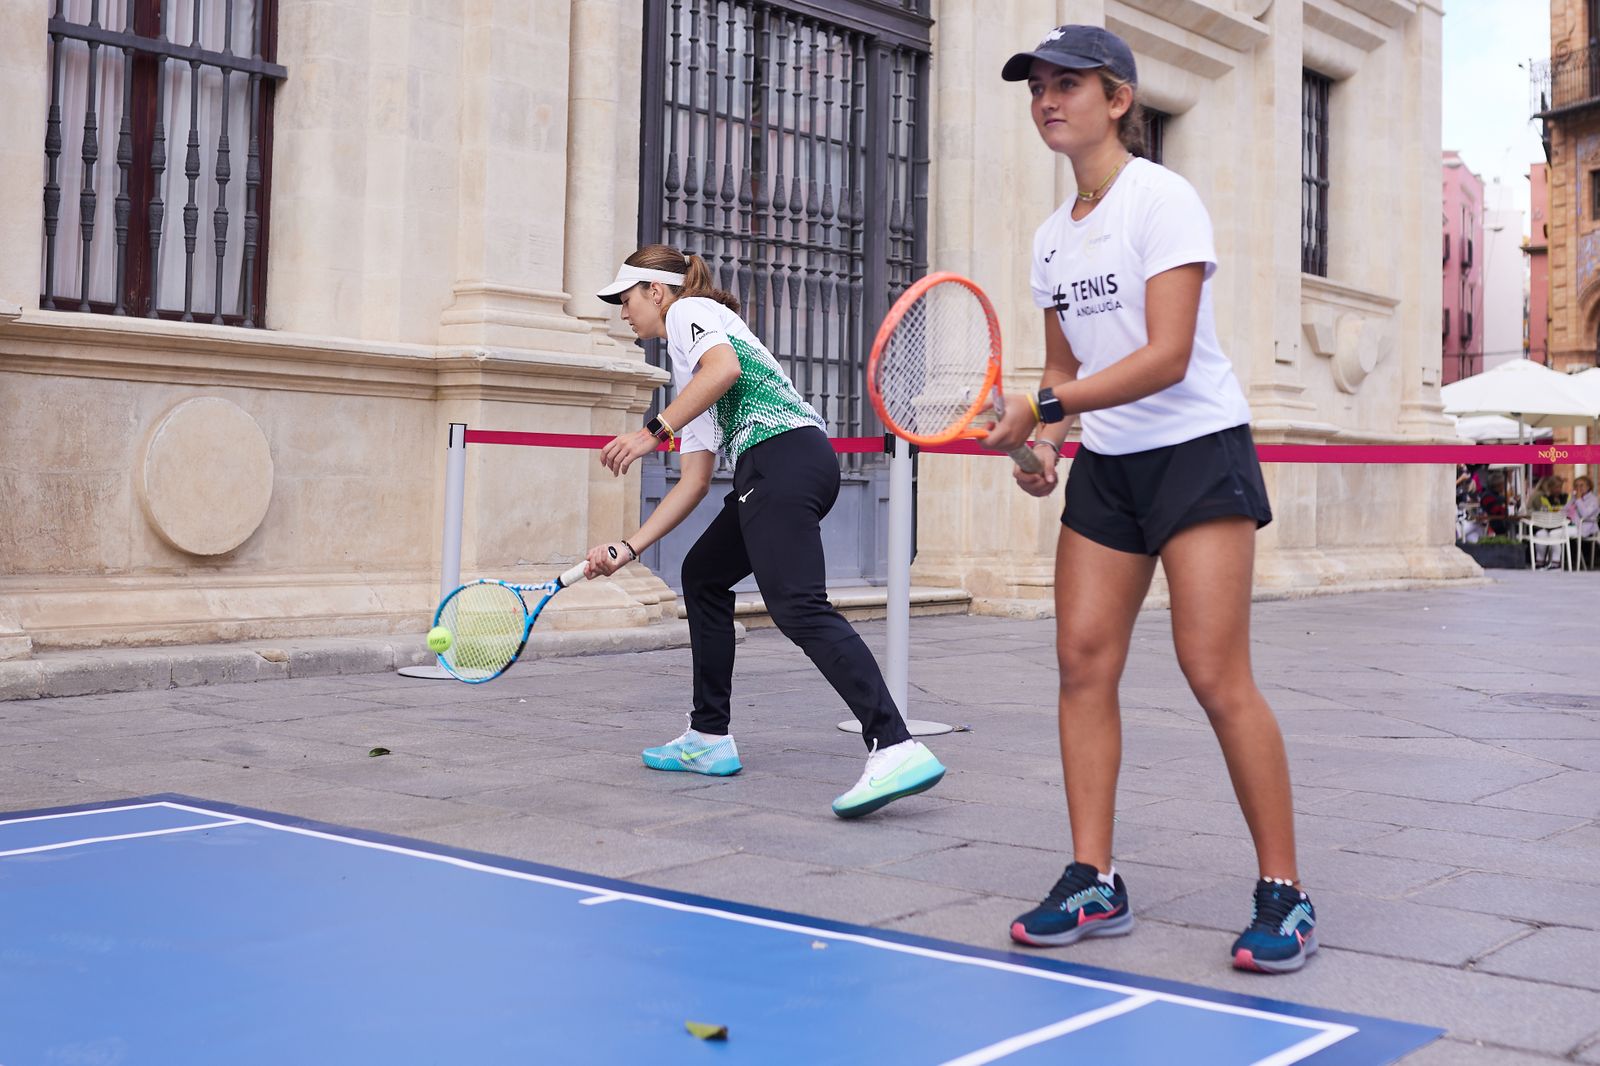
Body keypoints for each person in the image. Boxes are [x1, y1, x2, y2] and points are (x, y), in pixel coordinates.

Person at [982, 25, 1315, 973]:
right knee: (1082, 662)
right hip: (1114, 466)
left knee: (1214, 673)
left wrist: (1045, 406)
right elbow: (1061, 365)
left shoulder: (1162, 199)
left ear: (1119, 98)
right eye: (1037, 86)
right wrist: (1044, 446)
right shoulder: (1052, 237)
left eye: (1068, 84)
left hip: (1197, 452)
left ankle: (1284, 893)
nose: (1048, 99)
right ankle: (1094, 877)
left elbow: (1166, 355)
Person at [582, 244, 945, 819]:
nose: (622, 313)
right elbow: (694, 482)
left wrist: (650, 433)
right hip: (783, 465)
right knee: (702, 575)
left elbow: (724, 369)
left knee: (798, 607)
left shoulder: (688, 314)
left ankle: (894, 743)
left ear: (656, 291)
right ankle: (708, 738)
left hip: (782, 460)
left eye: (624, 300)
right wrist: (628, 548)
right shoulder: (690, 376)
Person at [1566, 475, 1598, 565]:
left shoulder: (1593, 500)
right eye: (1576, 486)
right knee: (1552, 532)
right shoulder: (1574, 498)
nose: (1578, 488)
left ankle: (1557, 562)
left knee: (1557, 533)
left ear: (1588, 487)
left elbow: (1585, 514)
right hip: (1571, 525)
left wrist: (1579, 500)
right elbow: (1564, 511)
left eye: (1581, 485)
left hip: (1584, 527)